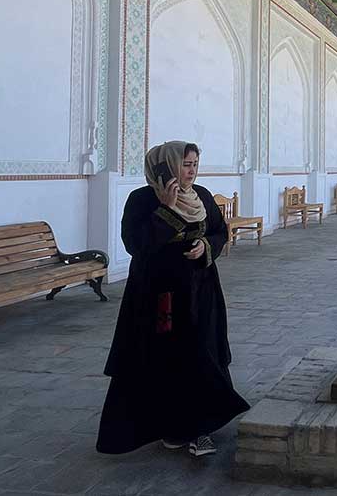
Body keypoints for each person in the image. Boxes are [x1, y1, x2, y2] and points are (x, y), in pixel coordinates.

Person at [97, 141, 249, 457]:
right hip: (158, 295)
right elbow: (135, 244)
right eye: (185, 164)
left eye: (194, 164)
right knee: (168, 357)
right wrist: (166, 210)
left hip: (200, 289)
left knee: (203, 351)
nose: (191, 171)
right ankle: (175, 426)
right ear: (166, 166)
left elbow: (221, 231)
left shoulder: (203, 197)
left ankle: (200, 426)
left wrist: (205, 246)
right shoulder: (142, 199)